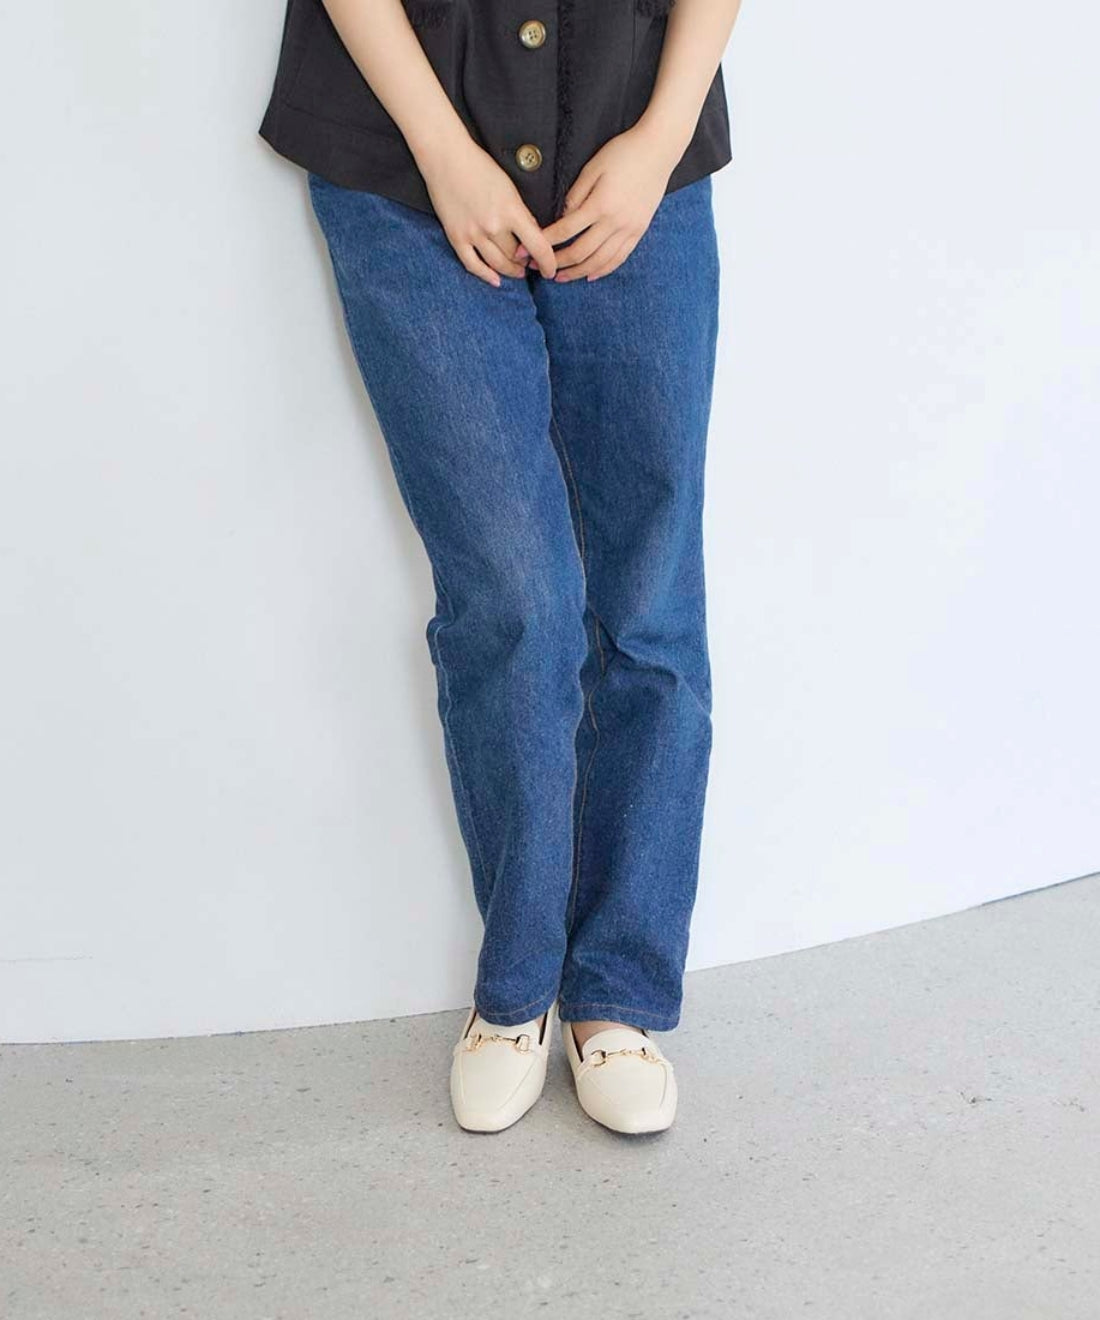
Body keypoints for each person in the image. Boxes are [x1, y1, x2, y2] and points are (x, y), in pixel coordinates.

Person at [258, 0, 743, 1135]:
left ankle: (616, 992)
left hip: (631, 154)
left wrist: (660, 139)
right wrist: (441, 151)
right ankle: (517, 987)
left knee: (648, 598)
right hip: (406, 163)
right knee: (515, 601)